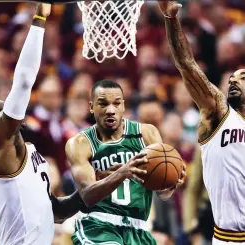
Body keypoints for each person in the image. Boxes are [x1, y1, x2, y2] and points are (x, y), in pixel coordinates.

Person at [0, 4, 81, 245]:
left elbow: (56, 213)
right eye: (0, 112)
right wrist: (40, 18)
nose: (7, 108)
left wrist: (113, 177)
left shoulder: (31, 154)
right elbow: (22, 83)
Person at [158, 1, 245, 244]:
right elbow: (187, 65)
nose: (234, 81)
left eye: (243, 77)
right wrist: (171, 20)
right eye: (232, 78)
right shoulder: (219, 113)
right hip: (228, 237)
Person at [65, 79, 186, 245]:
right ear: (91, 107)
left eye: (116, 104)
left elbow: (161, 193)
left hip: (138, 229)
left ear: (123, 106)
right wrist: (122, 173)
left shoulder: (146, 133)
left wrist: (171, 184)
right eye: (103, 104)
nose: (110, 110)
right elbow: (87, 196)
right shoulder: (80, 143)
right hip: (99, 227)